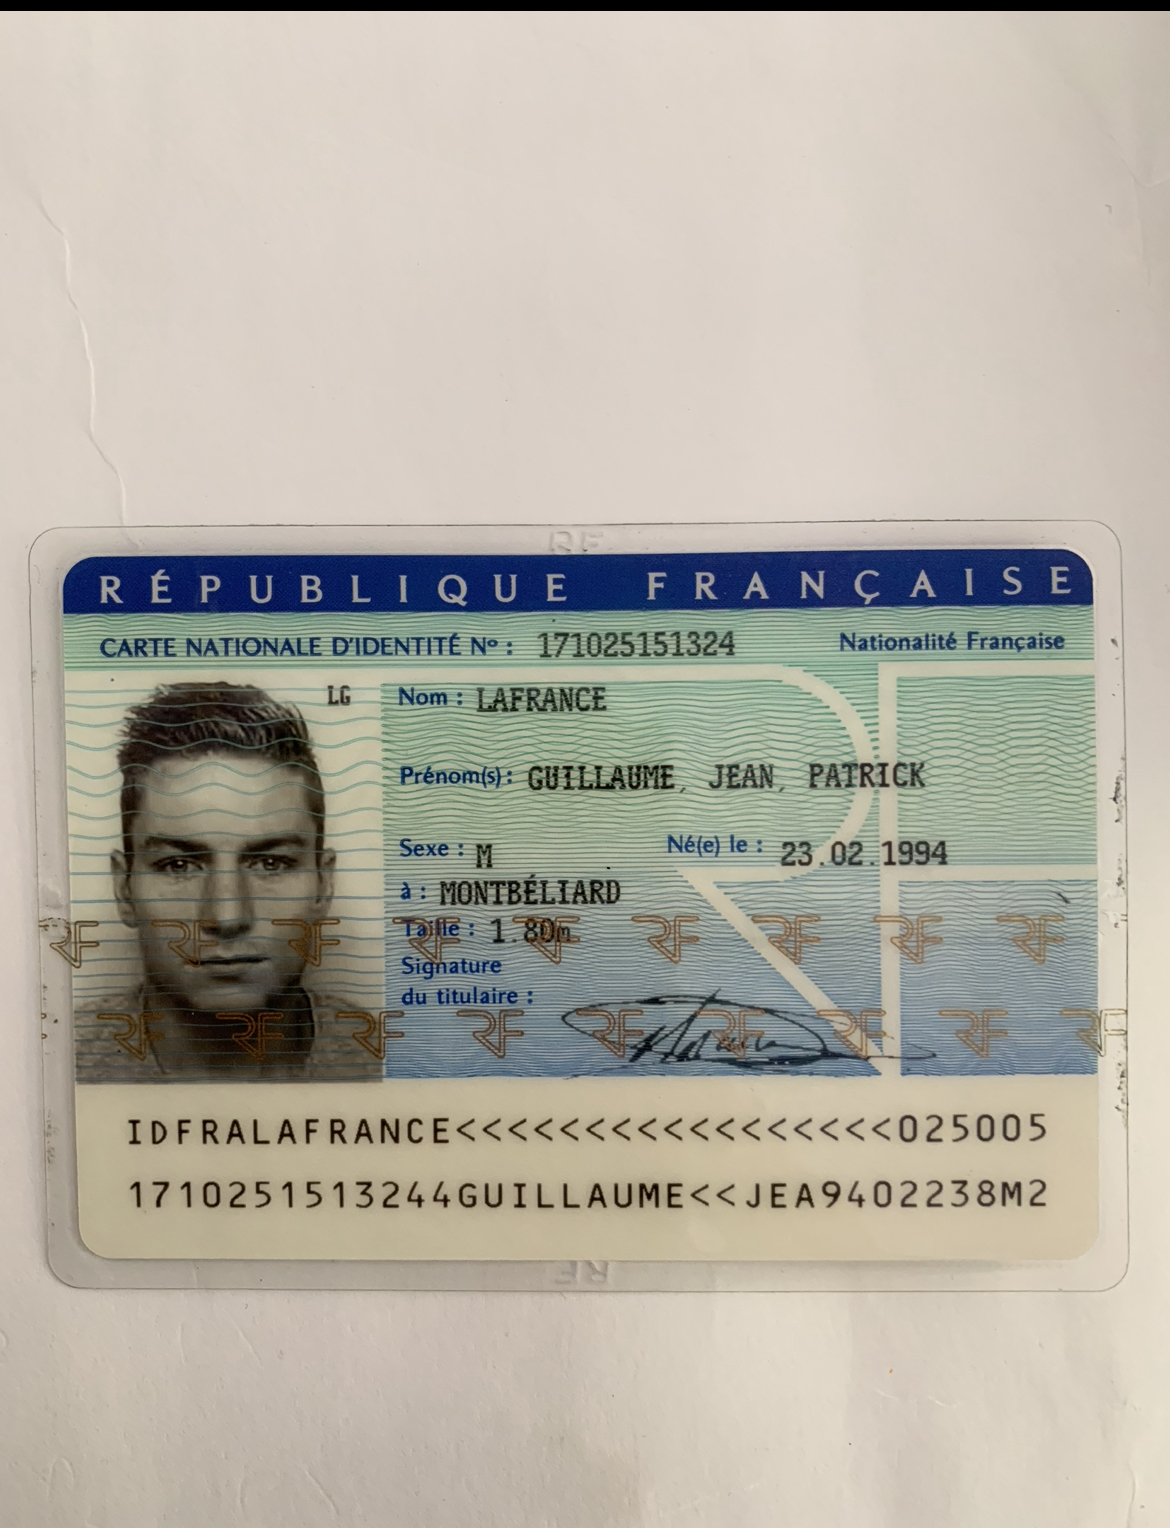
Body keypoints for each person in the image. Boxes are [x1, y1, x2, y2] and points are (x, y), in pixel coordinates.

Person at [75, 681, 381, 1081]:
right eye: (178, 865)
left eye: (271, 863)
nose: (227, 915)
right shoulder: (46, 1064)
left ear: (324, 884)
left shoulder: (403, 1062)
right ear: (124, 889)